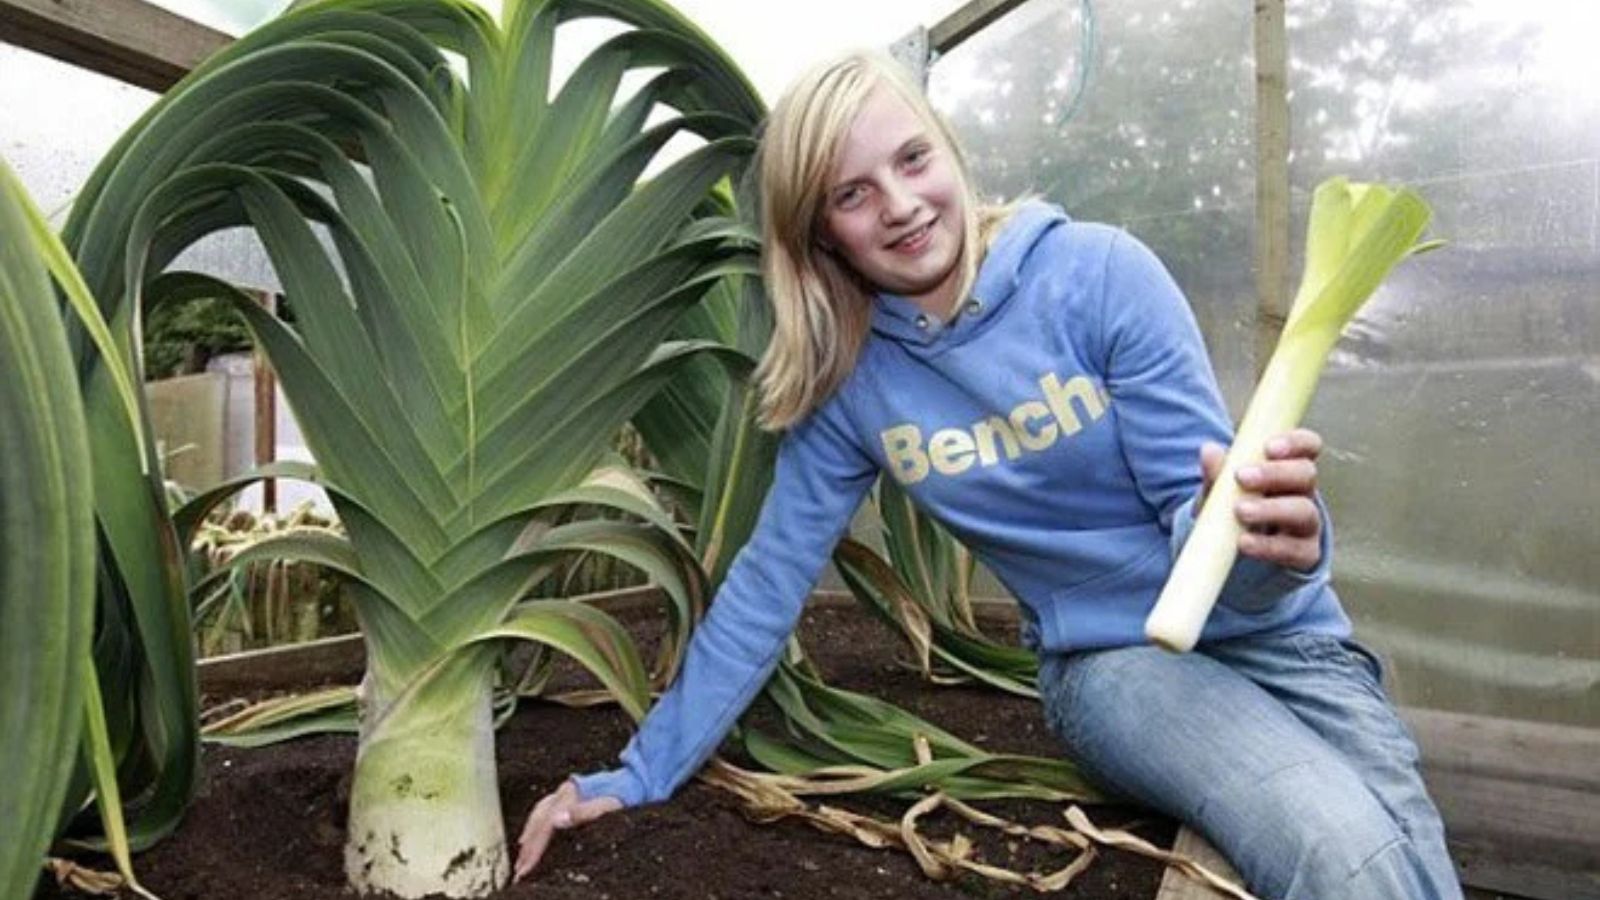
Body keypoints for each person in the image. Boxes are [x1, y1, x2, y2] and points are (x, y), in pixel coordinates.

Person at [513, 49, 1463, 900]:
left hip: (1288, 647)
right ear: (820, 235)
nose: (899, 202)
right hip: (1118, 668)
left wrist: (1267, 546)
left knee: (1416, 865)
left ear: (950, 153)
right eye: (851, 193)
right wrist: (636, 777)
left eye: (912, 158)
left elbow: (1200, 515)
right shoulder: (853, 384)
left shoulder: (1097, 277)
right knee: (1351, 859)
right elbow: (766, 585)